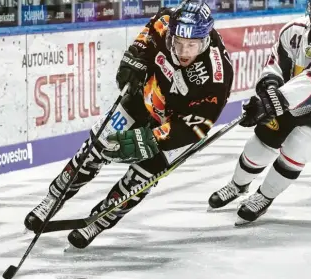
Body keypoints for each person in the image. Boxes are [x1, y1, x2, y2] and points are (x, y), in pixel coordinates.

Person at [24, 0, 234, 248]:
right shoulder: (165, 21)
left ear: (205, 39)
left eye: (192, 45)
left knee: (141, 176)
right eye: (179, 43)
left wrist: (147, 140)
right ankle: (53, 198)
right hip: (145, 97)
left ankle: (99, 220)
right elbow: (140, 48)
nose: (185, 52)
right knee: (96, 146)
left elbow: (195, 127)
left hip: (177, 127)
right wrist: (131, 66)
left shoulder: (217, 75)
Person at [208, 0, 311, 225]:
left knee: (300, 142)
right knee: (261, 143)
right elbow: (275, 66)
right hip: (298, 98)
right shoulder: (293, 31)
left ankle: (264, 196)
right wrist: (269, 90)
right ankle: (238, 185)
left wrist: (271, 103)